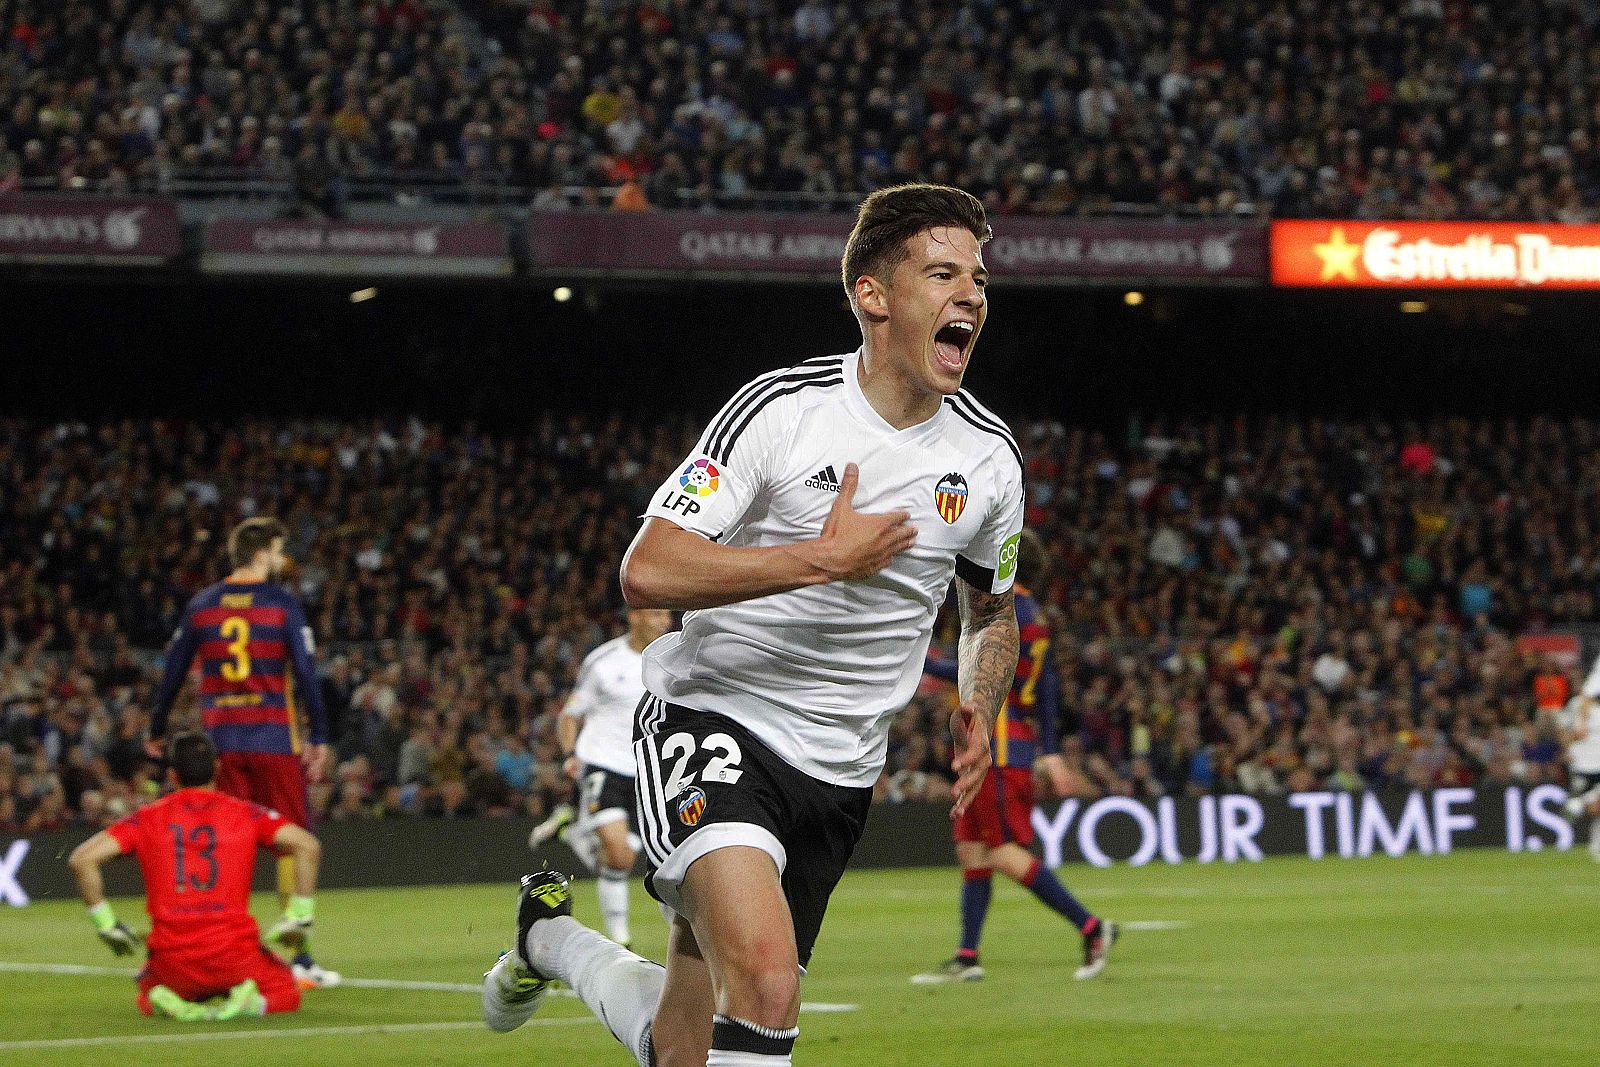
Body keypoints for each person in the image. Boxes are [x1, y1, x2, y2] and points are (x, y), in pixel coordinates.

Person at [482, 182, 1021, 1067]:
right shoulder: (782, 410)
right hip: (715, 718)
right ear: (873, 296)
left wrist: (980, 698)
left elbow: (990, 607)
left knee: (679, 1047)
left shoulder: (990, 460)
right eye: (942, 273)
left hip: (842, 768)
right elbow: (648, 568)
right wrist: (818, 558)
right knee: (769, 984)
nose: (971, 294)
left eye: (978, 276)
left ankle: (549, 942)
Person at [912, 529, 1116, 984]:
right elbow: (1047, 687)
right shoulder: (1035, 616)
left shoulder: (1007, 611)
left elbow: (977, 668)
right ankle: (967, 956)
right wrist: (1047, 748)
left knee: (1002, 850)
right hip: (1000, 739)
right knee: (972, 850)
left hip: (998, 744)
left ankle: (1092, 927)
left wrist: (919, 657)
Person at [146, 516, 339, 987]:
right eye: (277, 550)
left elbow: (172, 671)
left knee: (221, 846)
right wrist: (320, 737)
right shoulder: (282, 605)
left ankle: (198, 948)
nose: (280, 559)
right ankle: (301, 959)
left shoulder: (203, 605)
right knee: (290, 845)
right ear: (259, 554)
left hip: (221, 747)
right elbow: (307, 674)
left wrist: (156, 726)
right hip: (274, 740)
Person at [67, 732, 323, 1020]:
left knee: (146, 991)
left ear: (173, 775)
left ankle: (168, 1001)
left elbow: (82, 859)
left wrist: (107, 925)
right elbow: (307, 845)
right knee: (286, 990)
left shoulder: (147, 818)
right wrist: (300, 914)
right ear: (217, 768)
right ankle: (249, 1005)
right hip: (235, 957)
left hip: (173, 961)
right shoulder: (247, 814)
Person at [529, 607, 673, 947]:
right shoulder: (603, 661)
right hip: (603, 763)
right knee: (616, 851)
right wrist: (570, 754)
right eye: (656, 615)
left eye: (667, 616)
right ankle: (621, 939)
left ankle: (569, 832)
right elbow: (570, 714)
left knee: (621, 859)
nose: (665, 622)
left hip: (647, 770)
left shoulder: (673, 658)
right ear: (635, 616)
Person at [1557, 657, 1600, 860]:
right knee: (1593, 808)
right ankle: (1576, 804)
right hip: (1583, 762)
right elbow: (1564, 731)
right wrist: (1569, 745)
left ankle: (1596, 845)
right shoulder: (1576, 706)